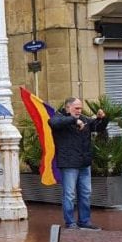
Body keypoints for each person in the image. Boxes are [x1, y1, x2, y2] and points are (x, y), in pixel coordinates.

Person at [49, 97, 108, 230]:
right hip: (69, 164)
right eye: (76, 108)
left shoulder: (85, 119)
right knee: (69, 194)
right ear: (67, 107)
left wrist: (102, 118)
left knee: (86, 193)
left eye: (80, 108)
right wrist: (75, 120)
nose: (79, 110)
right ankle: (70, 222)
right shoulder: (58, 118)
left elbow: (98, 127)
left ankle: (84, 221)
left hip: (84, 163)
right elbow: (53, 123)